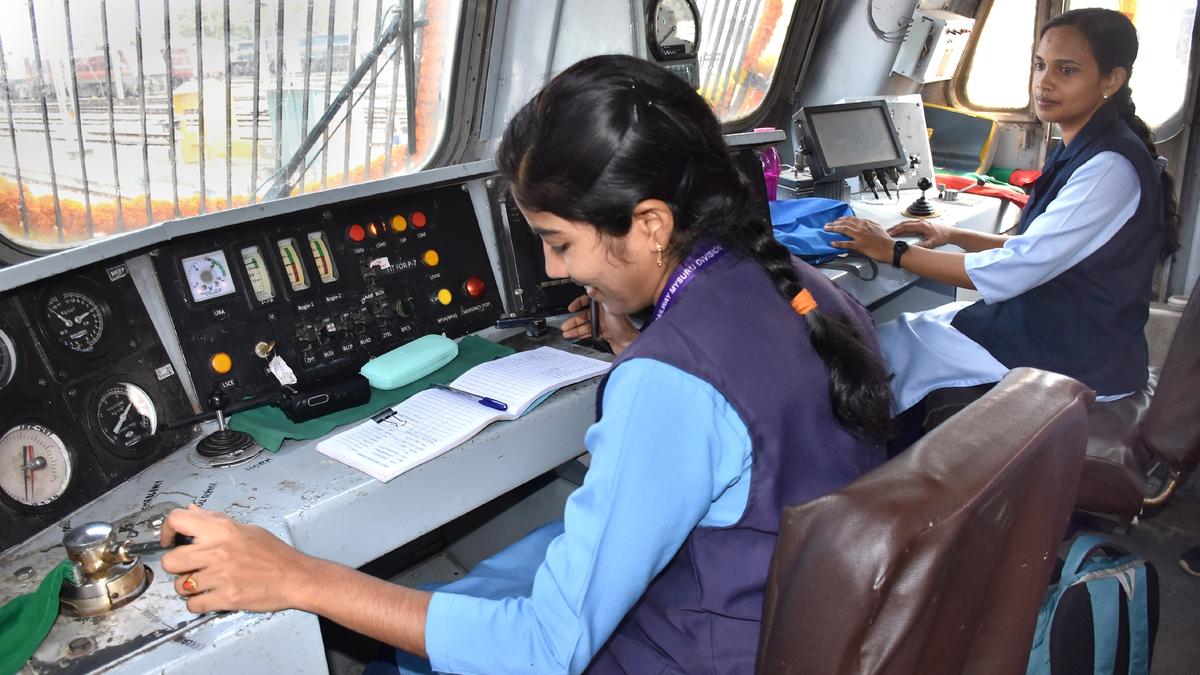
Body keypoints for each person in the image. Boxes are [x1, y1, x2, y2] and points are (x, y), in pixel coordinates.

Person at [157, 54, 894, 674]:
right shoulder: (803, 283)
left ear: (650, 224)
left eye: (560, 241)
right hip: (790, 619)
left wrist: (295, 574)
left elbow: (545, 648)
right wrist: (641, 340)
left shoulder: (673, 383)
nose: (553, 267)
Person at [825, 8, 1181, 417]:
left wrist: (893, 252)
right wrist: (954, 234)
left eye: (1066, 70)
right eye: (1040, 65)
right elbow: (1043, 249)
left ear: (1111, 81)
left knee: (879, 352)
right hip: (1062, 329)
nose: (1043, 82)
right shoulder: (1084, 144)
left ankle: (870, 461)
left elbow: (1016, 268)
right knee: (904, 331)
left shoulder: (1108, 168)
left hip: (1075, 359)